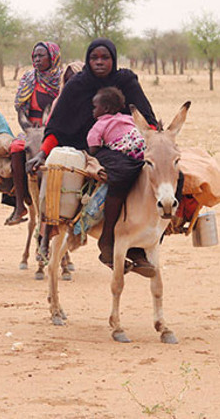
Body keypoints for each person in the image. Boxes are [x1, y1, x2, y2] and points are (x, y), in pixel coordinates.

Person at [27, 38, 158, 276]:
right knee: (120, 172)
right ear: (88, 60)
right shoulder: (77, 86)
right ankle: (107, 241)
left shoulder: (126, 82)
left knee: (157, 175)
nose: (99, 62)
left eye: (104, 58)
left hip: (126, 143)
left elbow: (145, 117)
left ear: (113, 59)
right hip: (88, 147)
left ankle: (142, 242)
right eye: (94, 58)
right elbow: (58, 127)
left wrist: (160, 144)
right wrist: (43, 153)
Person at [6, 42, 62, 226]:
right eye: (35, 56)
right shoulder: (29, 79)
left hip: (56, 128)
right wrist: (30, 129)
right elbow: (21, 110)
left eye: (41, 56)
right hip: (30, 128)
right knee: (16, 147)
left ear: (52, 57)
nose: (37, 60)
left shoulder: (62, 80)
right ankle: (19, 203)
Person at [87, 87, 146, 162]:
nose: (92, 110)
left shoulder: (99, 126)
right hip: (143, 145)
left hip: (126, 153)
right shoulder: (128, 118)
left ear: (106, 108)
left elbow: (93, 150)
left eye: (94, 107)